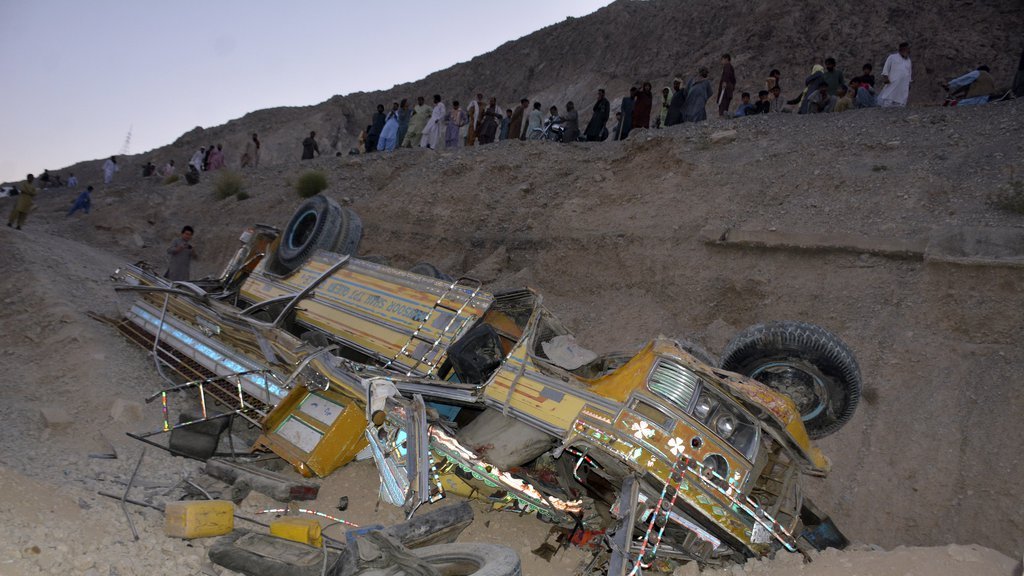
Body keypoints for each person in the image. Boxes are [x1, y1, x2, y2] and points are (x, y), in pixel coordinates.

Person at [877, 42, 912, 107]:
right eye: (908, 49)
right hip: (893, 82)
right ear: (903, 49)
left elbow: (909, 73)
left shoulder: (908, 60)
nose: (909, 51)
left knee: (901, 101)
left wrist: (909, 83)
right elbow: (886, 68)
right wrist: (886, 78)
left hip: (904, 85)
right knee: (889, 97)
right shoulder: (892, 57)